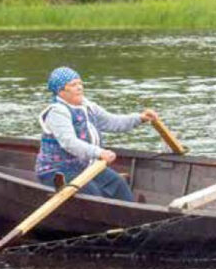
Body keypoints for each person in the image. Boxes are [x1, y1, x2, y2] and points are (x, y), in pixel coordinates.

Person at [35, 66, 159, 201]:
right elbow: (69, 143)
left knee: (118, 183)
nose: (79, 87)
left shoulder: (88, 106)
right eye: (73, 85)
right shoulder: (57, 112)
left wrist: (139, 118)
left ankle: (131, 216)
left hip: (85, 167)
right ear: (60, 91)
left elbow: (112, 122)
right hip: (58, 172)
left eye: (80, 83)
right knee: (92, 193)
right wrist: (99, 153)